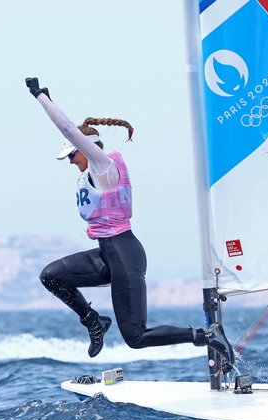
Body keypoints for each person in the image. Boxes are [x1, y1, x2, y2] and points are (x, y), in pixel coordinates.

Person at [25, 77, 235, 368]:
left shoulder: (104, 167)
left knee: (136, 337)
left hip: (124, 253)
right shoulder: (90, 174)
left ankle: (206, 334)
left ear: (86, 148)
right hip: (108, 253)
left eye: (72, 154)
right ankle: (94, 320)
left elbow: (68, 129)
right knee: (51, 276)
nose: (71, 161)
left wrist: (41, 97)